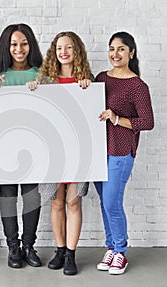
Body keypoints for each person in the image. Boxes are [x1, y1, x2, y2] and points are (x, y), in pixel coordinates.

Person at [95, 31, 154, 275]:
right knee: (104, 203)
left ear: (131, 52)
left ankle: (120, 252)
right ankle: (111, 246)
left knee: (112, 202)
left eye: (121, 49)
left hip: (120, 151)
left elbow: (147, 122)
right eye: (111, 48)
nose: (115, 54)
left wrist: (117, 118)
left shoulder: (137, 86)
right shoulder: (100, 78)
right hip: (97, 150)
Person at [36, 31, 93, 275]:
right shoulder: (46, 81)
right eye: (59, 48)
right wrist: (34, 88)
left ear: (76, 51)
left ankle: (71, 254)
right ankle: (60, 251)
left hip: (79, 150)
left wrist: (88, 90)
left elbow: (91, 115)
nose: (64, 52)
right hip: (53, 150)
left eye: (69, 47)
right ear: (54, 52)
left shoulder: (86, 81)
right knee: (56, 201)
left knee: (74, 200)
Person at [0, 23, 43, 268]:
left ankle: (29, 245)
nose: (19, 49)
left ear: (30, 45)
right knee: (8, 197)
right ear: (6, 47)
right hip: (4, 148)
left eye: (23, 43)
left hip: (34, 147)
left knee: (32, 197)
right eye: (13, 44)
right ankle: (13, 248)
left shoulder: (41, 74)